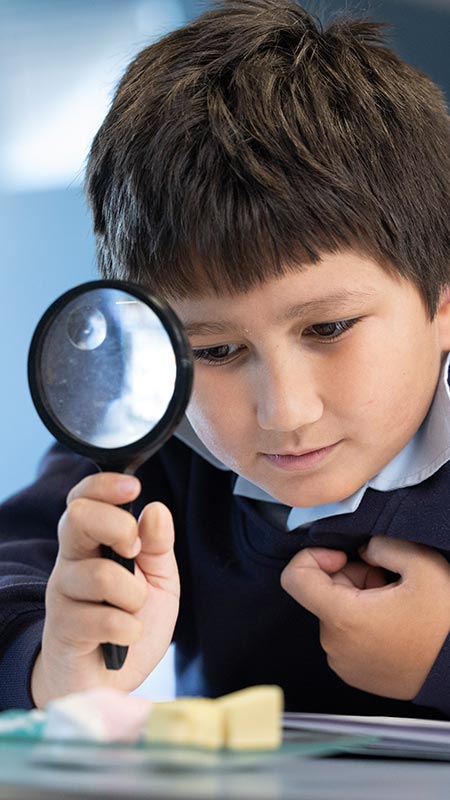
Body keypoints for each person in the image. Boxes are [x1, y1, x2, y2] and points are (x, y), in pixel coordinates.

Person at [1, 0, 450, 718]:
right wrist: (47, 662)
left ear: (443, 303)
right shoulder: (150, 447)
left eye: (328, 326)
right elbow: (13, 565)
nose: (285, 411)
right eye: (214, 350)